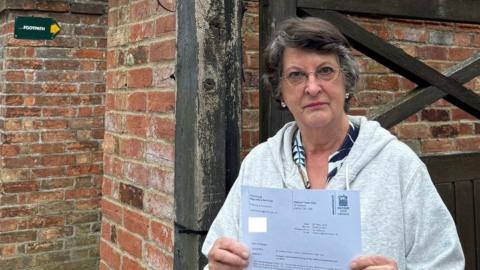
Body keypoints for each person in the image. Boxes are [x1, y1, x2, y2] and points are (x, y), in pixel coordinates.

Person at [202, 17, 464, 270]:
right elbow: (220, 255)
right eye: (296, 75)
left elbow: (446, 263)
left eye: (325, 71)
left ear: (346, 81)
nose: (313, 87)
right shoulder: (258, 165)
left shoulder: (399, 166)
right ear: (280, 91)